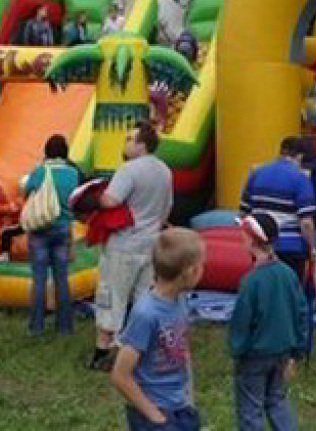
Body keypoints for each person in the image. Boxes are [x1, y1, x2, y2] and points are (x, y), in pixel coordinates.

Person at [90, 120, 173, 370]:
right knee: (143, 299)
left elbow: (110, 200)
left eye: (129, 139)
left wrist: (92, 196)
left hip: (124, 242)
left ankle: (103, 352)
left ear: (141, 145)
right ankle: (140, 352)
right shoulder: (164, 171)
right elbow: (167, 208)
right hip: (150, 242)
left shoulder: (129, 169)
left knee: (112, 295)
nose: (125, 143)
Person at [110, 228, 204, 430]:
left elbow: (182, 349)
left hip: (180, 407)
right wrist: (155, 416)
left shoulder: (180, 300)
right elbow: (120, 374)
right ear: (190, 272)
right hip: (155, 414)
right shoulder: (146, 314)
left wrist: (188, 398)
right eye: (201, 265)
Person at [229, 214, 308, 431]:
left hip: (254, 354)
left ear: (252, 240)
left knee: (250, 407)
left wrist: (237, 349)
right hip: (282, 351)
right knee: (277, 400)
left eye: (243, 235)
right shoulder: (288, 274)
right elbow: (301, 311)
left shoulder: (251, 281)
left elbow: (242, 320)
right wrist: (297, 351)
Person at [239, 136, 316, 285]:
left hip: (260, 244)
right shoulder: (301, 179)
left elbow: (243, 213)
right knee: (289, 290)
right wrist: (312, 247)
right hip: (291, 247)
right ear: (299, 157)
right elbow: (306, 222)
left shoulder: (256, 174)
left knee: (263, 288)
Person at [23, 134, 80, 336]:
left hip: (40, 229)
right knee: (61, 278)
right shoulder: (73, 174)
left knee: (39, 278)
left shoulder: (39, 172)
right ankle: (64, 326)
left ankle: (36, 326)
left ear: (46, 152)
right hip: (62, 228)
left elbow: (27, 192)